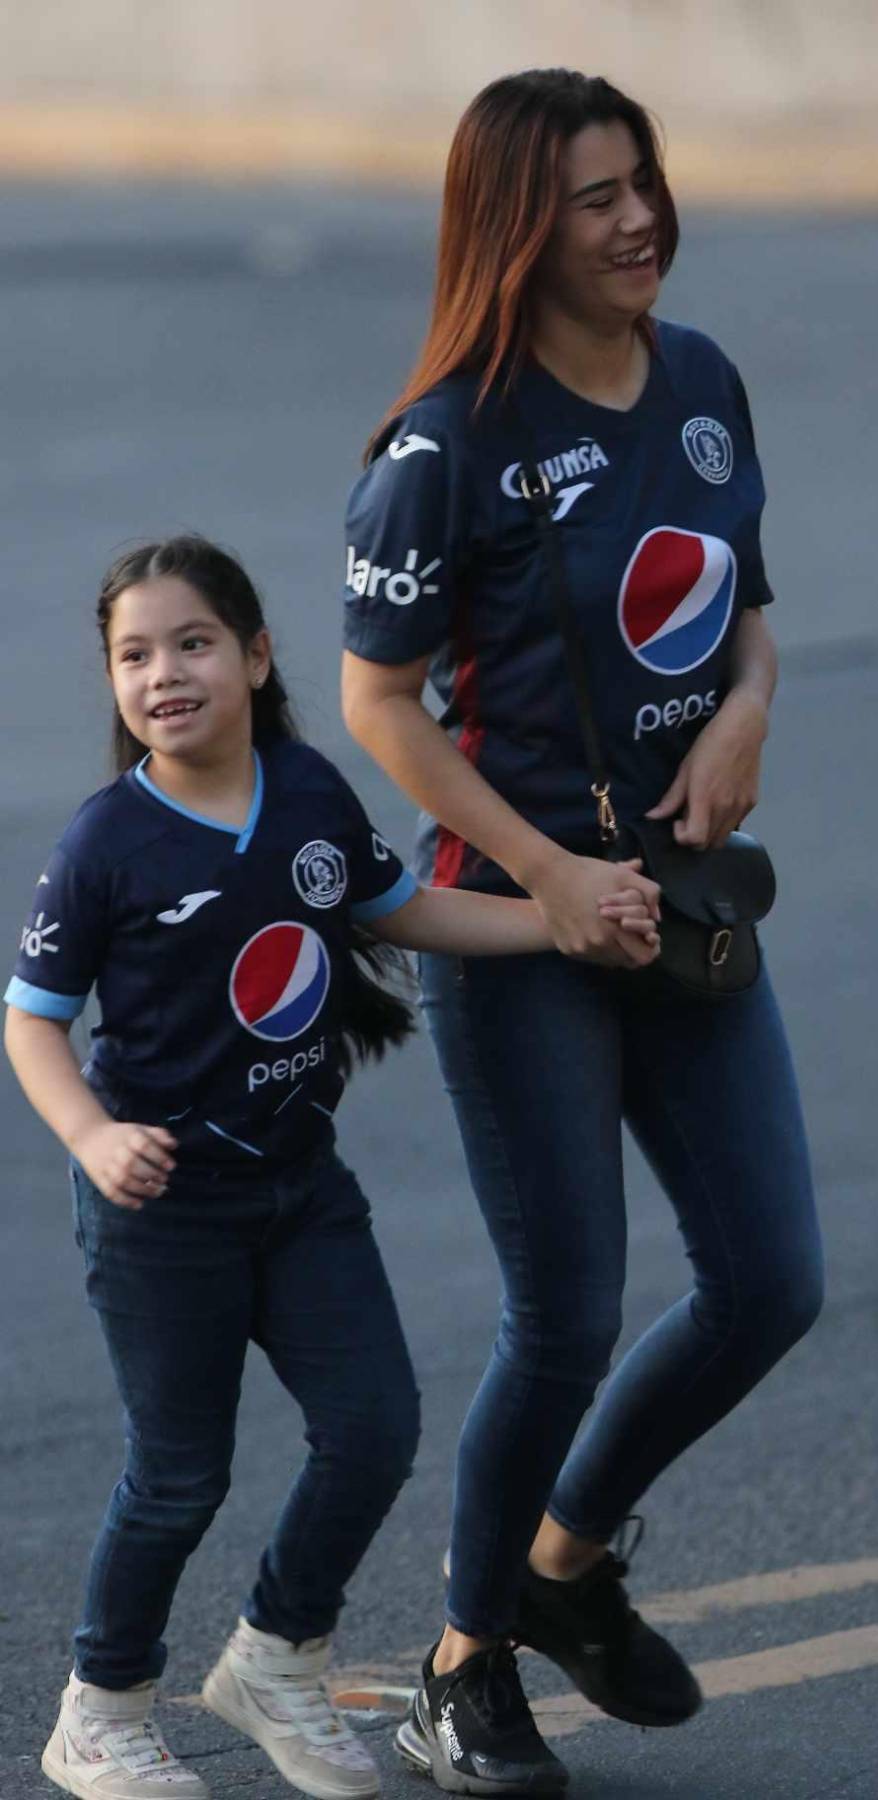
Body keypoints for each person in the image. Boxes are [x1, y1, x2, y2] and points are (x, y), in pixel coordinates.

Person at [341, 67, 826, 1796]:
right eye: (594, 196)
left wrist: (749, 708)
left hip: (681, 903)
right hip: (525, 919)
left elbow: (749, 613)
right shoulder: (443, 444)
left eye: (645, 181)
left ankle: (561, 1570)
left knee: (772, 1281)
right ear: (516, 229)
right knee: (565, 1313)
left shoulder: (698, 380)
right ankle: (462, 1668)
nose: (638, 219)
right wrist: (542, 878)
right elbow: (377, 703)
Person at [4, 535, 657, 1800]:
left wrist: (559, 917)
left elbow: (399, 909)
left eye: (193, 643)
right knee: (179, 1473)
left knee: (373, 1431)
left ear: (255, 655)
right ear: (112, 684)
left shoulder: (305, 793)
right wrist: (92, 1135)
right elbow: (30, 1018)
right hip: (165, 1215)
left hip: (301, 1189)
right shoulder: (106, 846)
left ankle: (275, 1657)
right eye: (134, 656)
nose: (164, 673)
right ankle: (101, 1706)